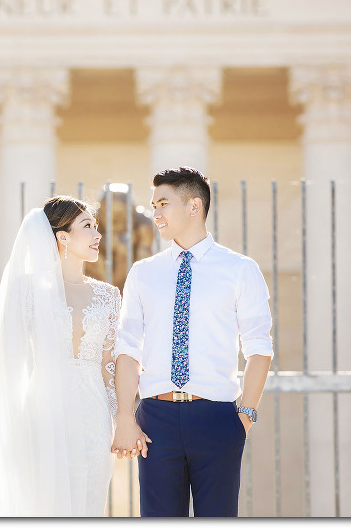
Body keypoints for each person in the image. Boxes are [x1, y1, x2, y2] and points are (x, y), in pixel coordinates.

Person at [112, 166, 273, 517]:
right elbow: (127, 348)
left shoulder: (240, 270)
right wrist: (125, 416)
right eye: (154, 205)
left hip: (217, 418)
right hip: (155, 420)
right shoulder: (143, 273)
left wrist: (244, 417)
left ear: (194, 206)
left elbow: (259, 348)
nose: (155, 214)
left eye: (163, 204)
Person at [0, 196, 124, 516]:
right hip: (42, 412)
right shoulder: (26, 289)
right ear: (63, 237)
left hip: (93, 417)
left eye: (96, 226)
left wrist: (121, 419)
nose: (98, 235)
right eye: (87, 226)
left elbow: (109, 366)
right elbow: (11, 360)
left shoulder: (109, 295)